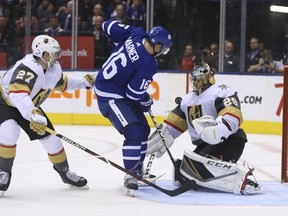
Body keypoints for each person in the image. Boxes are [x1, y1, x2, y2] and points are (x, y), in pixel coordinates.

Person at [146, 63, 264, 195]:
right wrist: (161, 136)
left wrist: (218, 130)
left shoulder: (220, 90)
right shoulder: (187, 100)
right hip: (205, 145)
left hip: (230, 141)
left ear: (209, 78)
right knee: (182, 169)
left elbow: (232, 114)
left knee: (196, 167)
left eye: (199, 79)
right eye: (194, 79)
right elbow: (172, 125)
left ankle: (242, 180)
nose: (196, 82)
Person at [0, 35, 96, 196]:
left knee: (53, 141)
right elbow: (18, 94)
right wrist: (33, 115)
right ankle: (3, 172)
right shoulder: (28, 67)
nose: (58, 56)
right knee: (9, 133)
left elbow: (62, 83)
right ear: (44, 54)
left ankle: (65, 173)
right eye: (55, 53)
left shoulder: (53, 67)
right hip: (5, 104)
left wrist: (83, 84)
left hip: (30, 107)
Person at [94, 19, 172, 195]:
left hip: (117, 91)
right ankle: (130, 174)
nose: (163, 53)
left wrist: (120, 43)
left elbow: (107, 25)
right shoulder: (149, 64)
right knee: (134, 132)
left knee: (143, 129)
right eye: (164, 48)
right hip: (110, 96)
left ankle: (138, 169)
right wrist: (146, 100)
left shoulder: (136, 33)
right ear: (158, 45)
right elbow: (134, 95)